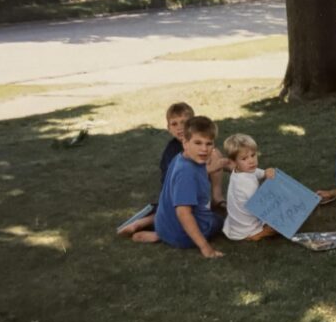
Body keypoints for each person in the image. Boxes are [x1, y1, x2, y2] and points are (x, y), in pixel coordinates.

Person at [118, 102, 227, 240]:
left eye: (183, 122)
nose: (180, 128)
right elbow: (183, 180)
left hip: (188, 193)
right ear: (168, 128)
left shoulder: (198, 146)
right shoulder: (173, 152)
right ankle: (151, 230)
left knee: (215, 154)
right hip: (175, 194)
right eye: (174, 124)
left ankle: (217, 197)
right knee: (189, 215)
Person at [153, 116, 225, 258]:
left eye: (209, 144)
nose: (204, 149)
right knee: (222, 221)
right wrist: (206, 248)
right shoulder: (186, 174)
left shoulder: (182, 157)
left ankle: (159, 234)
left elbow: (198, 173)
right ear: (185, 143)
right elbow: (183, 213)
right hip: (183, 236)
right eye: (198, 143)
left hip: (164, 226)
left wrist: (220, 165)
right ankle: (166, 237)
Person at [222, 133, 278, 242]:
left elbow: (257, 173)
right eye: (244, 158)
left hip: (236, 223)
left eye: (253, 155)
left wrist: (266, 173)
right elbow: (261, 206)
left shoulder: (239, 171)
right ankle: (258, 235)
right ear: (234, 162)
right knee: (277, 225)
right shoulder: (246, 184)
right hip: (247, 227)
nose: (251, 161)